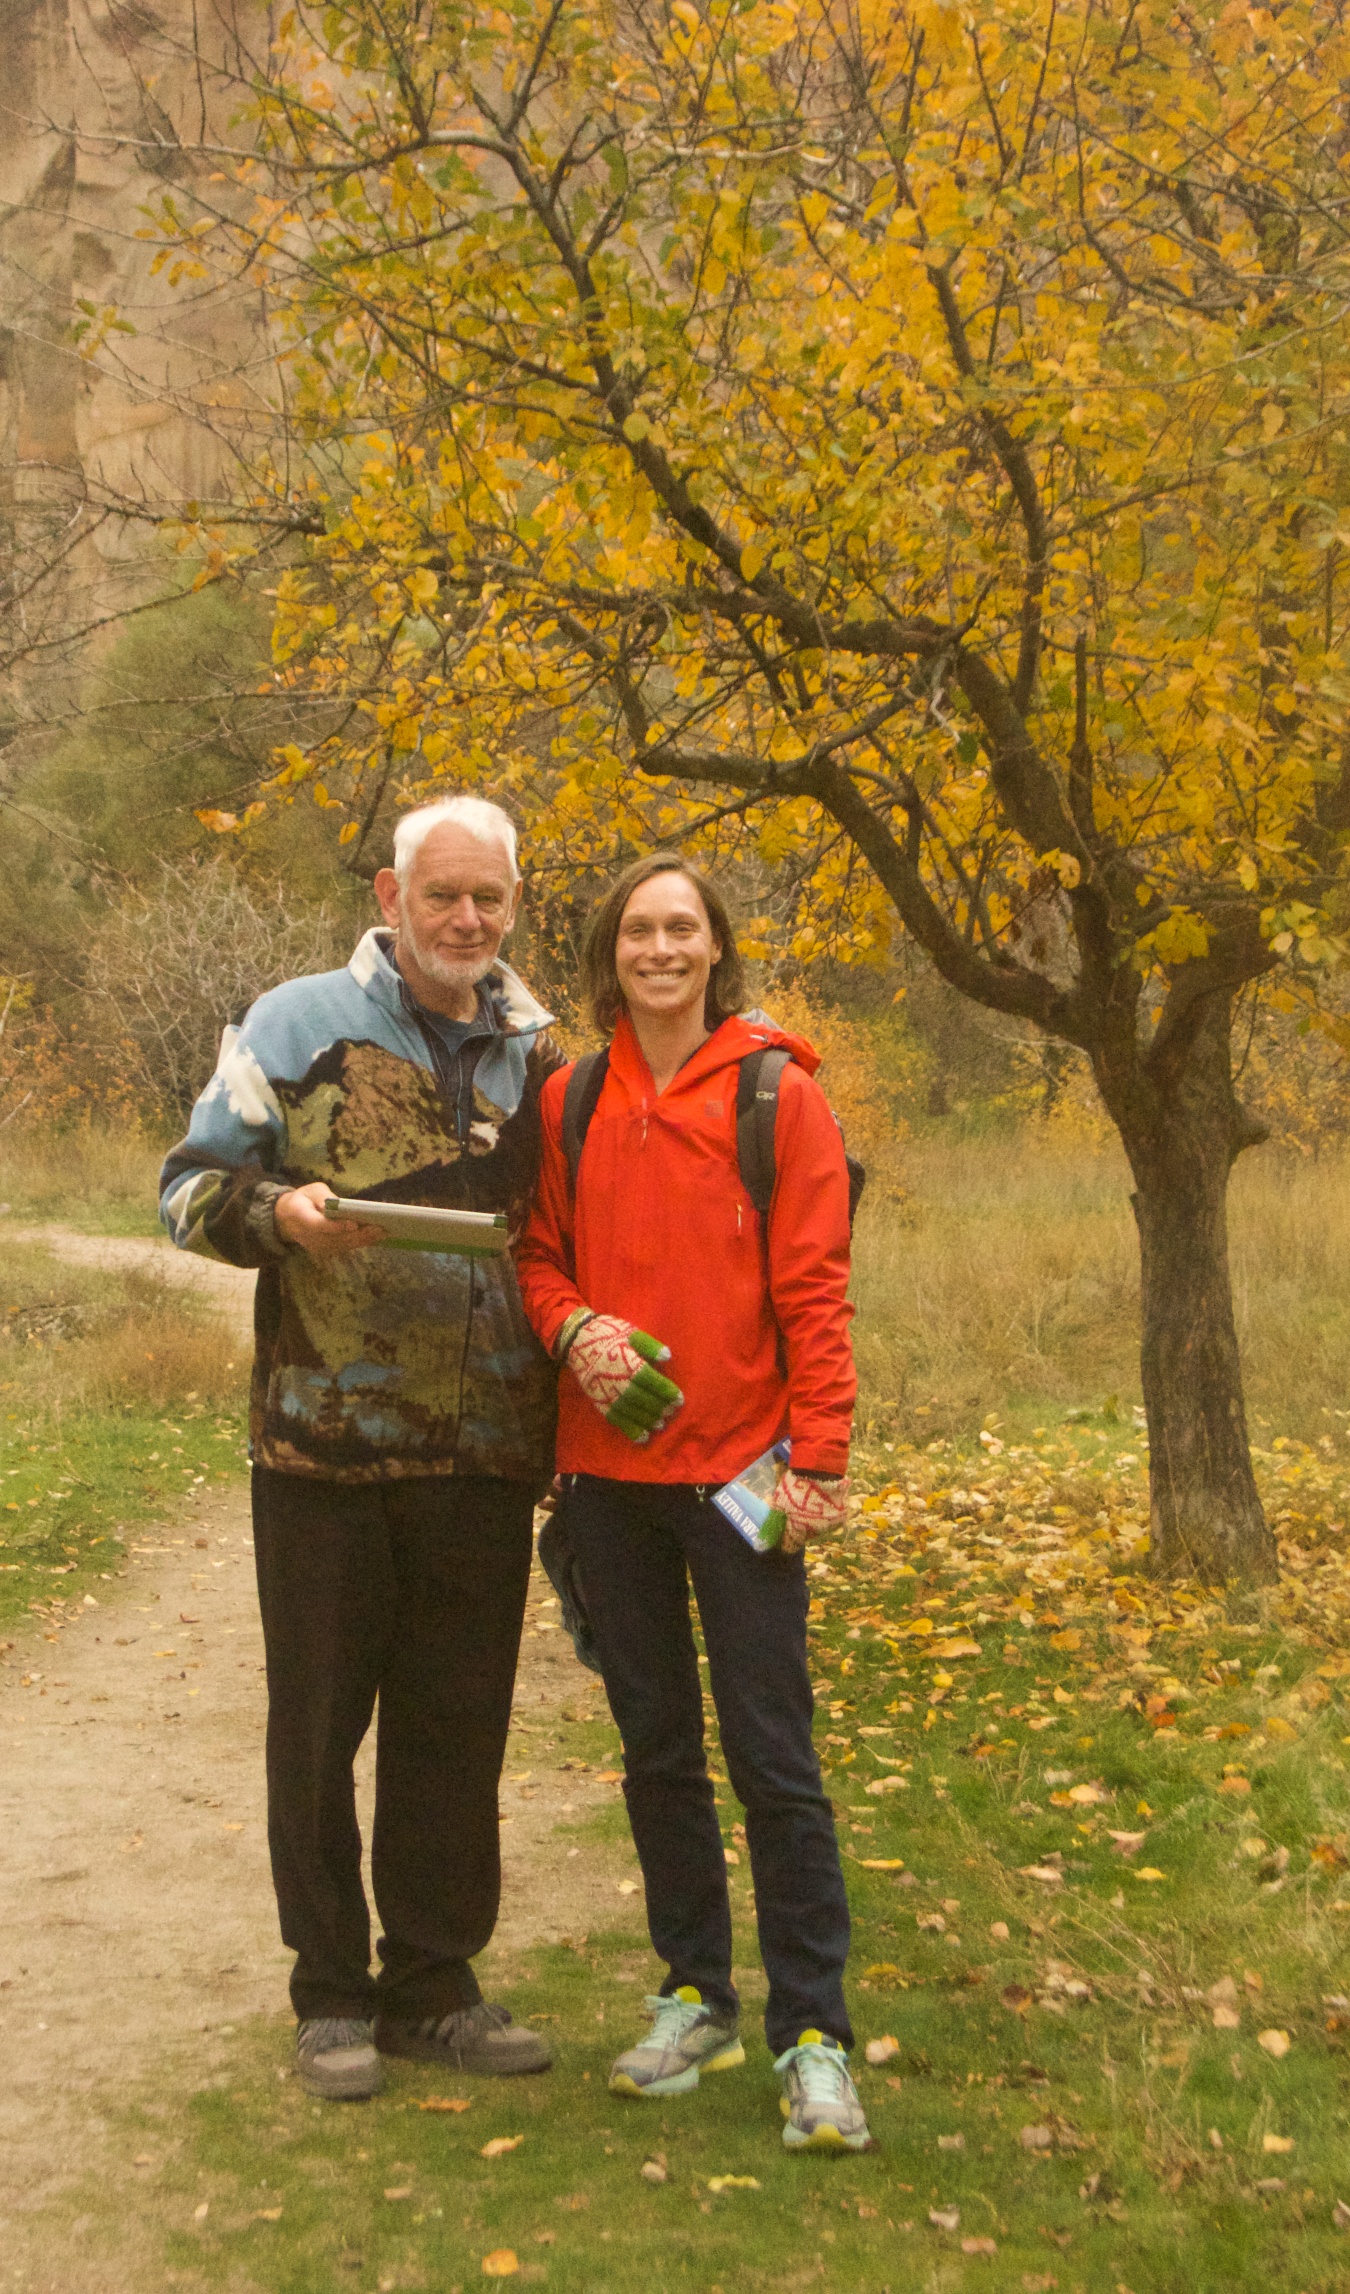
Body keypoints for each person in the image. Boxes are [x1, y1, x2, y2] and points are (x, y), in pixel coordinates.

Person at [159, 796, 561, 2100]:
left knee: (454, 1729)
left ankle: (432, 1986)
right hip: (320, 1449)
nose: (465, 921)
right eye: (441, 895)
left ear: (513, 903)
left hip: (488, 1450)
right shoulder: (288, 1026)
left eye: (487, 899)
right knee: (318, 1729)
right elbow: (186, 1189)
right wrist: (284, 1211)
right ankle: (329, 1994)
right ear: (390, 894)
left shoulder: (545, 1056)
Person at [516, 852, 872, 2152]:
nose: (659, 947)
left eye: (682, 928)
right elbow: (537, 1255)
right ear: (610, 949)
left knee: (773, 1756)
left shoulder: (780, 1095)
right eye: (637, 929)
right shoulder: (573, 1094)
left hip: (742, 1478)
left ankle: (814, 2035)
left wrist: (816, 1457)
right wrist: (574, 1332)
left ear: (715, 948)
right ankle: (691, 1994)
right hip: (608, 1481)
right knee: (657, 1748)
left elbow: (815, 1291)